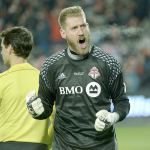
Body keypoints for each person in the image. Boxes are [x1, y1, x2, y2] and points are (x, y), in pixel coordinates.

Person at [26, 6, 130, 150]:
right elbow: (46, 108)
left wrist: (113, 117)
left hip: (103, 146)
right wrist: (36, 112)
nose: (81, 32)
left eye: (83, 25)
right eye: (74, 28)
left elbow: (122, 101)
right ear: (63, 33)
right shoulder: (51, 66)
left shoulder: (109, 63)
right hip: (65, 146)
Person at [0, 26, 52, 150]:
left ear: (10, 49)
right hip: (39, 145)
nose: (1, 52)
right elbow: (55, 117)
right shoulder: (45, 80)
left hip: (7, 145)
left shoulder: (2, 80)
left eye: (2, 48)